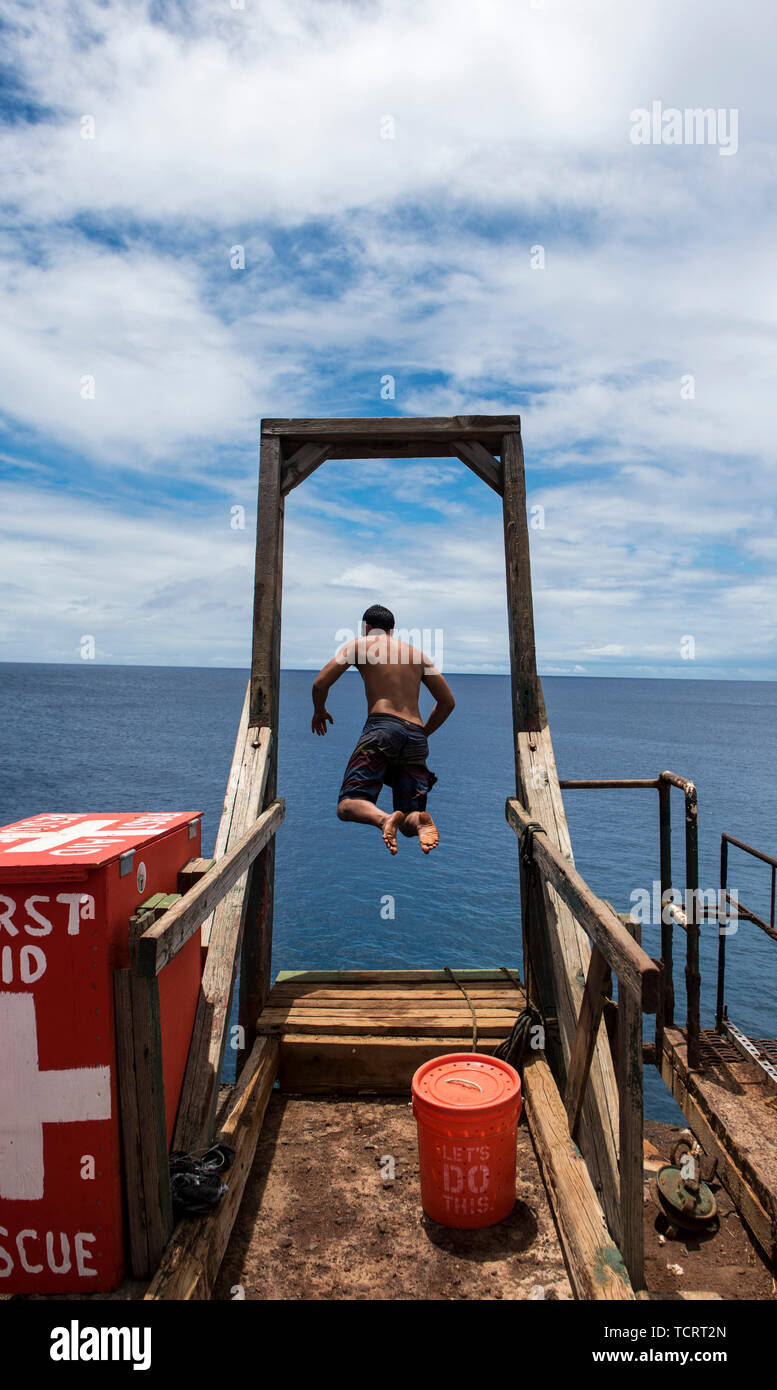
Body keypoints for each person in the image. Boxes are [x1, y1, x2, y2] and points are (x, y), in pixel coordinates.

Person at [311, 604, 455, 855]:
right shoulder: (418, 655)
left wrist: (319, 710)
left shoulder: (359, 645)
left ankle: (384, 820)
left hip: (382, 727)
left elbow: (320, 683)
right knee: (410, 817)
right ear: (392, 629)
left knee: (348, 805)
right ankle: (419, 821)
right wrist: (424, 732)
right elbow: (447, 702)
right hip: (415, 735)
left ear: (367, 627)